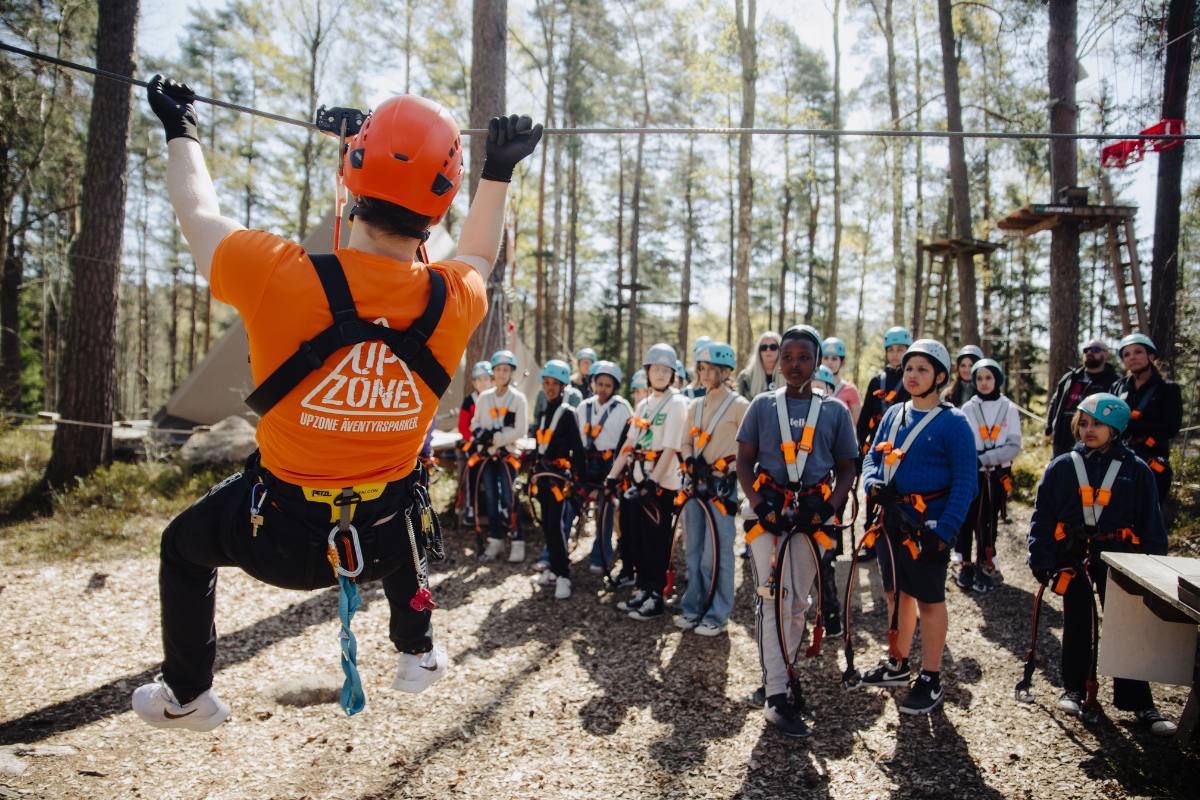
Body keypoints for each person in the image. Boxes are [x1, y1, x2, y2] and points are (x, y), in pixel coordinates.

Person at [133, 78, 542, 731]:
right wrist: (499, 170)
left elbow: (198, 214)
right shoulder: (455, 298)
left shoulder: (279, 274)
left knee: (182, 548)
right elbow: (479, 254)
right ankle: (417, 650)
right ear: (438, 208)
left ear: (350, 182)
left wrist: (180, 127)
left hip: (275, 538)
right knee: (403, 489)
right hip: (376, 546)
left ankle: (188, 694)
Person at [1027, 393, 1176, 735]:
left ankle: (1140, 703)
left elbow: (1152, 523)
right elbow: (1043, 515)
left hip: (1120, 557)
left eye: (1098, 424)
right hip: (1072, 555)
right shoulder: (1063, 466)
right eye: (1083, 423)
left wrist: (1156, 568)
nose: (1088, 430)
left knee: (1126, 627)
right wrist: (1041, 558)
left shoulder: (1136, 471)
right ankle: (1075, 689)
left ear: (1117, 429)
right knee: (1077, 620)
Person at [736, 325, 858, 736]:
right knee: (774, 598)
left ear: (817, 361)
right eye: (787, 356)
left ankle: (782, 671)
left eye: (803, 357)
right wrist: (759, 504)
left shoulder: (836, 411)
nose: (793, 364)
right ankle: (775, 696)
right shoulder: (762, 406)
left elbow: (846, 469)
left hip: (813, 518)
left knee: (798, 603)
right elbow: (743, 462)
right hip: (767, 517)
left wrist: (826, 507)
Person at [856, 339, 977, 715]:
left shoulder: (954, 423)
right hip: (891, 521)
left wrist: (946, 533)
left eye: (922, 369)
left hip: (927, 526)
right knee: (896, 594)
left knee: (929, 599)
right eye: (909, 369)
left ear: (940, 377)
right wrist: (871, 482)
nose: (912, 375)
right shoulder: (893, 413)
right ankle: (897, 662)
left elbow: (966, 482)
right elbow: (872, 457)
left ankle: (931, 676)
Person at [606, 343, 688, 620]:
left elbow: (670, 448)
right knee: (638, 538)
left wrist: (653, 482)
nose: (661, 374)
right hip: (638, 480)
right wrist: (612, 475)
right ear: (648, 372)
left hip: (661, 484)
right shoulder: (643, 404)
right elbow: (630, 443)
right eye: (656, 369)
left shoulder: (676, 403)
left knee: (657, 541)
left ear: (673, 374)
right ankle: (643, 587)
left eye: (667, 370)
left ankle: (657, 595)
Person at [676, 342, 749, 636]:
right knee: (692, 550)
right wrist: (689, 460)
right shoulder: (694, 405)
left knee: (717, 552)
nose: (705, 374)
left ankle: (717, 614)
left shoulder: (740, 406)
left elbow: (748, 448)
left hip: (721, 487)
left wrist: (733, 473)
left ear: (726, 371)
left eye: (711, 369)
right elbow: (684, 442)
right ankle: (693, 607)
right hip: (695, 484)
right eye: (702, 368)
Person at [954, 359, 1022, 594]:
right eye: (979, 378)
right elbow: (961, 442)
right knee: (967, 519)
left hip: (995, 475)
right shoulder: (967, 409)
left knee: (989, 520)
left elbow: (1014, 446)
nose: (983, 383)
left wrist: (984, 459)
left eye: (988, 378)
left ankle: (986, 561)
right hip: (971, 473)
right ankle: (966, 564)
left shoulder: (1009, 408)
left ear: (997, 380)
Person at [529, 360, 587, 599]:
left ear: (564, 387)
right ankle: (553, 570)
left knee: (558, 527)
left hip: (558, 481)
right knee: (548, 526)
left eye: (555, 384)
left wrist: (578, 482)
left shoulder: (569, 413)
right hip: (542, 478)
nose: (550, 388)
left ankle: (564, 575)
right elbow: (539, 447)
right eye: (547, 383)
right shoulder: (543, 413)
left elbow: (579, 451)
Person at [855, 326, 912, 561]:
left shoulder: (912, 380)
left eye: (901, 350)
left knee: (900, 494)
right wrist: (859, 446)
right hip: (879, 447)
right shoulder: (878, 381)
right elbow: (866, 415)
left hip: (903, 448)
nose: (896, 354)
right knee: (873, 493)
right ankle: (871, 542)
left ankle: (900, 539)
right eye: (892, 350)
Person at [1110, 333, 1183, 503]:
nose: (1132, 357)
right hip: (1117, 461)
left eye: (1138, 352)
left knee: (1147, 518)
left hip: (1152, 463)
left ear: (1150, 356)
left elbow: (1170, 428)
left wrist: (1133, 425)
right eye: (1126, 354)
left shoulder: (1168, 389)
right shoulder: (1118, 388)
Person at [473, 350, 530, 563]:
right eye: (498, 369)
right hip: (487, 456)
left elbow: (519, 429)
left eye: (506, 370)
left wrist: (495, 439)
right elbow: (475, 422)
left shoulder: (517, 398)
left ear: (511, 372)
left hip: (507, 455)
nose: (501, 373)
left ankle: (517, 541)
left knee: (509, 496)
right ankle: (495, 540)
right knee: (490, 498)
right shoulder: (484, 398)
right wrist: (479, 433)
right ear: (493, 372)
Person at [576, 361, 633, 575]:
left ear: (614, 387)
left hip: (609, 466)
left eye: (608, 385)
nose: (602, 389)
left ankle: (600, 556)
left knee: (606, 509)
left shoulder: (621, 408)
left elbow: (628, 439)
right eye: (599, 384)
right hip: (586, 464)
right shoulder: (584, 407)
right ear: (592, 384)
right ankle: (554, 554)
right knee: (568, 504)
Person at [1046, 339, 1119, 458]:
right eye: (1086, 350)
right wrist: (1049, 429)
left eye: (1095, 349)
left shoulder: (1115, 381)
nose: (1089, 352)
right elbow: (1054, 402)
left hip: (1094, 444)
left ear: (1106, 354)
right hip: (1062, 442)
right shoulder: (1070, 378)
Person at [458, 362, 494, 527]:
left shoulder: (495, 400)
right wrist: (472, 438)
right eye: (479, 380)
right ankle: (470, 507)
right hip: (473, 446)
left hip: (492, 445)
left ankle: (499, 509)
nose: (483, 383)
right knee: (471, 474)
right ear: (474, 383)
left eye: (486, 379)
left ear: (492, 381)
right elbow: (462, 425)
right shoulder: (469, 401)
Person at [820, 337, 861, 425]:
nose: (829, 362)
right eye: (826, 358)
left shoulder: (850, 389)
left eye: (834, 359)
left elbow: (859, 422)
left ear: (842, 363)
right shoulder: (813, 385)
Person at [736, 330, 783, 400]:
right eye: (764, 347)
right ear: (759, 351)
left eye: (773, 347)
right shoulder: (745, 377)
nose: (768, 350)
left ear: (780, 349)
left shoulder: (788, 375)